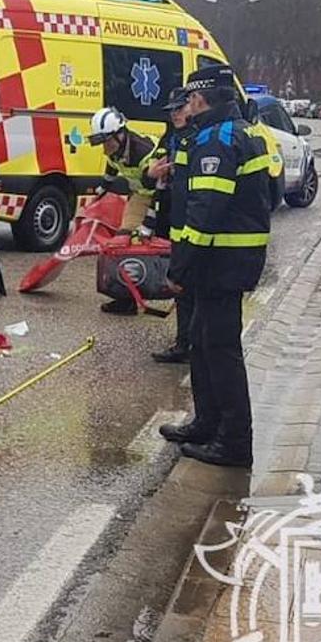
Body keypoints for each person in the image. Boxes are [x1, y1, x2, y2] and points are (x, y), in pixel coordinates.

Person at [160, 64, 270, 468]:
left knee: (221, 349)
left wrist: (179, 268)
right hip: (225, 259)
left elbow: (204, 212)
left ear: (201, 98)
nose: (187, 104)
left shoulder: (218, 138)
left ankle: (234, 442)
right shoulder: (237, 131)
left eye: (190, 98)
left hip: (222, 261)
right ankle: (207, 423)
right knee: (202, 340)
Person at [87, 106, 160, 314]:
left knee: (136, 241)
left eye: (105, 142)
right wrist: (99, 192)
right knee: (122, 243)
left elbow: (159, 189)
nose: (103, 148)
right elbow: (111, 169)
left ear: (119, 134)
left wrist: (149, 223)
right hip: (140, 194)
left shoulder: (143, 151)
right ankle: (125, 300)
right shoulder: (116, 149)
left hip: (160, 195)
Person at [148, 87, 196, 364]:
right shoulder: (172, 136)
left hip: (192, 218)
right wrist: (153, 171)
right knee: (181, 286)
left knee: (190, 284)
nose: (175, 115)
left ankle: (189, 344)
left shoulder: (198, 135)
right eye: (172, 111)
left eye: (180, 109)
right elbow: (153, 166)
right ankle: (183, 343)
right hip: (171, 214)